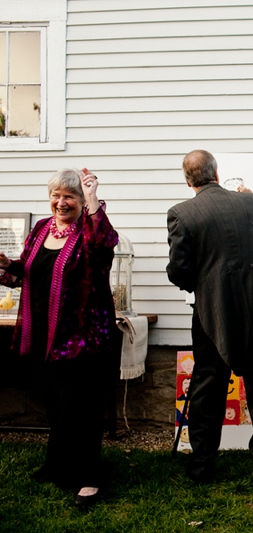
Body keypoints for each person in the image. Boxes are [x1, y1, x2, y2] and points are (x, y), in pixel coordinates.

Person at [0, 168, 120, 508]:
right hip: (44, 334)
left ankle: (88, 479)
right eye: (56, 195)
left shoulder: (91, 231)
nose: (61, 202)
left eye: (70, 196)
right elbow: (26, 270)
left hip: (82, 337)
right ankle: (60, 465)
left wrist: (94, 197)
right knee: (56, 403)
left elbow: (105, 245)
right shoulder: (41, 230)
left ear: (82, 202)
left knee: (81, 407)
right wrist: (7, 265)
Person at [166, 149, 253, 485]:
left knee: (208, 387)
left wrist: (202, 283)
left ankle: (202, 466)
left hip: (211, 312)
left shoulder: (182, 213)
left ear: (188, 181)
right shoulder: (248, 202)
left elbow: (178, 271)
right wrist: (249, 201)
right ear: (217, 173)